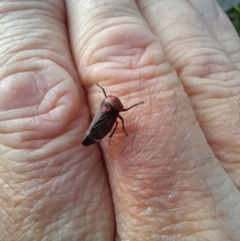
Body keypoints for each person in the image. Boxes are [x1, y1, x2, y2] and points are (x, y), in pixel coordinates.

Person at [0, 0, 239, 240]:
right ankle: (107, 137)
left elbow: (112, 106)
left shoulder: (109, 107)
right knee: (110, 127)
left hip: (102, 123)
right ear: (113, 106)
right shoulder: (114, 112)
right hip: (101, 126)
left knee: (107, 127)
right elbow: (118, 115)